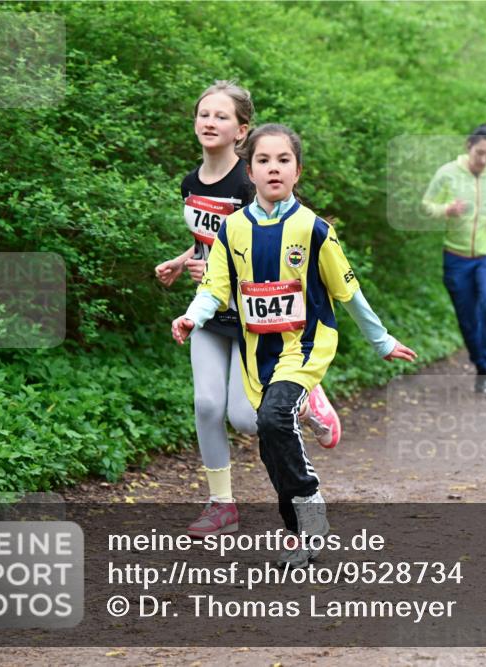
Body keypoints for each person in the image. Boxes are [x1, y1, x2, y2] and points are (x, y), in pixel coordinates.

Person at [172, 124, 417, 564]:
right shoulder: (232, 229)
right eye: (264, 161)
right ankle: (300, 525)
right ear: (250, 171)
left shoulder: (314, 229)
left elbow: (348, 292)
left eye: (283, 160)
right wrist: (193, 316)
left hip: (305, 346)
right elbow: (214, 287)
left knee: (274, 414)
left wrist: (382, 342)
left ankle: (311, 516)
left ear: (297, 171)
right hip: (257, 354)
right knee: (268, 431)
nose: (273, 169)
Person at [422, 123, 486, 395]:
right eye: (480, 153)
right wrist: (446, 209)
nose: (484, 160)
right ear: (469, 146)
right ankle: (481, 368)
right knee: (467, 317)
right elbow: (427, 205)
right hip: (457, 257)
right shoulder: (447, 174)